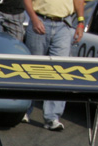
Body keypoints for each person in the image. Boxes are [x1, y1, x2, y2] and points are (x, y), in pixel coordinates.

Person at [23, 0, 86, 130]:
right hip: (40, 20)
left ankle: (52, 118)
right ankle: (23, 110)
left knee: (59, 71)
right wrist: (34, 19)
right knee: (32, 69)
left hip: (64, 24)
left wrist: (80, 22)